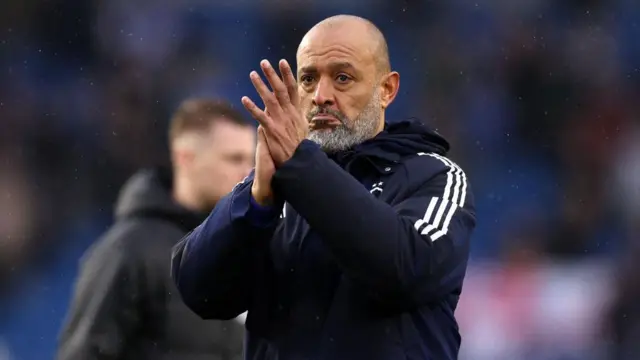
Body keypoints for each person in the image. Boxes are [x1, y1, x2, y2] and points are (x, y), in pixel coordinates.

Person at [172, 15, 477, 360]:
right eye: (308, 79)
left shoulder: (434, 177)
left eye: (342, 78)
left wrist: (302, 166)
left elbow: (405, 271)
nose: (321, 96)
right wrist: (256, 199)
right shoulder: (272, 190)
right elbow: (199, 291)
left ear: (386, 90)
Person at [57, 99, 255, 360]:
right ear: (186, 158)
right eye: (234, 159)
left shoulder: (248, 250)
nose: (248, 172)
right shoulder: (129, 250)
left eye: (252, 159)